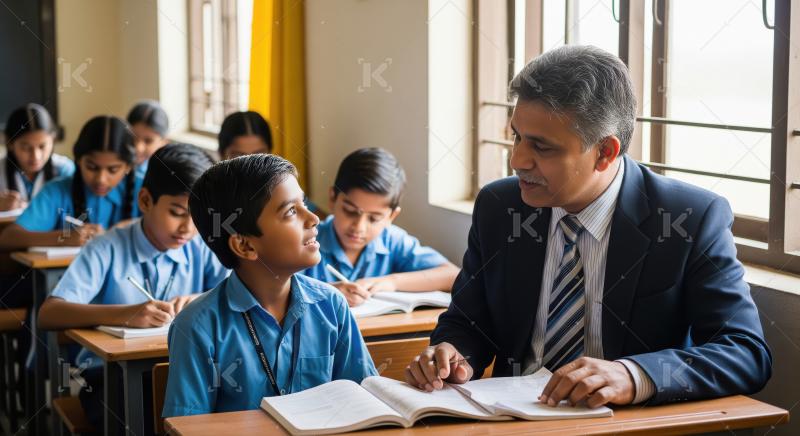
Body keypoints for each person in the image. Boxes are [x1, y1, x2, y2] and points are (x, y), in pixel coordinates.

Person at [405, 45, 771, 408]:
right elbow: (468, 322)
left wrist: (634, 375)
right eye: (516, 136)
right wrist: (452, 351)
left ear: (605, 153)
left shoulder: (688, 218)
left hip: (631, 429)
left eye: (542, 147)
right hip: (510, 422)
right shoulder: (500, 207)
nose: (517, 159)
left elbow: (745, 352)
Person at [162, 154, 376, 416]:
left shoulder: (331, 305)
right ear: (245, 245)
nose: (313, 218)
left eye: (304, 204)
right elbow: (187, 428)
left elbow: (365, 400)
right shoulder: (197, 327)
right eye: (290, 212)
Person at [38, 143, 228, 428]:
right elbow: (49, 314)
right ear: (145, 200)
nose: (188, 227)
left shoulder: (200, 246)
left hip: (187, 371)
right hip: (108, 376)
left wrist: (201, 300)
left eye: (198, 215)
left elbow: (234, 293)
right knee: (139, 414)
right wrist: (125, 314)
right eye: (177, 212)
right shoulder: (106, 249)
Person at [302, 148, 458, 306]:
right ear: (332, 199)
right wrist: (328, 292)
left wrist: (392, 282)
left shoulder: (392, 241)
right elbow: (278, 292)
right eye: (350, 211)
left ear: (391, 216)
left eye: (374, 218)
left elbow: (453, 275)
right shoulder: (305, 242)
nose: (359, 227)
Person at [0, 115, 142, 249]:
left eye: (113, 170)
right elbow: (8, 238)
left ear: (128, 167)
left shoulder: (144, 189)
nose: (100, 179)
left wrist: (138, 227)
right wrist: (63, 238)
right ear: (79, 161)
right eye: (91, 167)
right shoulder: (56, 191)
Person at [0, 103, 75, 211]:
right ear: (10, 143)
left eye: (42, 146)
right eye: (26, 148)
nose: (36, 156)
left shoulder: (64, 170)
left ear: (53, 141)